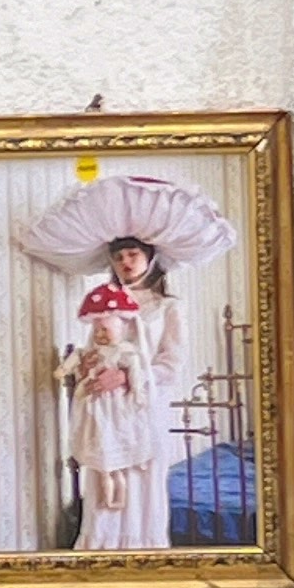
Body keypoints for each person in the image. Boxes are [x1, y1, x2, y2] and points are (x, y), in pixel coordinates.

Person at [59, 233, 186, 550]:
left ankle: (143, 552)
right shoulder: (104, 304)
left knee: (143, 482)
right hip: (107, 411)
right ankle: (100, 552)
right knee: (105, 473)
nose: (125, 262)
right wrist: (89, 367)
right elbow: (97, 348)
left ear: (150, 258)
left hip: (146, 405)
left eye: (132, 255)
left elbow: (172, 364)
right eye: (118, 257)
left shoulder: (167, 308)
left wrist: (128, 377)